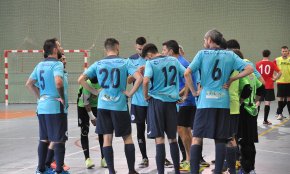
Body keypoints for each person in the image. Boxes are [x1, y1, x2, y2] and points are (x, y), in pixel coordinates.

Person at [184, 29, 254, 174]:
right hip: (222, 102)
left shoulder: (202, 54)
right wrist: (233, 78)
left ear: (209, 40)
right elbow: (249, 68)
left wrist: (194, 92)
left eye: (204, 40)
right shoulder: (230, 55)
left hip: (205, 102)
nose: (204, 43)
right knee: (221, 138)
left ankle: (194, 171)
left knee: (197, 137)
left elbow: (187, 73)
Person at [78, 38, 142, 174]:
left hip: (103, 106)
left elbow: (81, 79)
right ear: (117, 47)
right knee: (127, 137)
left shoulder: (98, 63)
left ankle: (111, 171)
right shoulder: (125, 62)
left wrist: (95, 91)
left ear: (105, 49)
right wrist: (130, 93)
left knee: (107, 137)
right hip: (119, 106)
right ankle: (131, 170)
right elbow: (139, 78)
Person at [26, 38, 69, 174]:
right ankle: (59, 170)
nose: (61, 48)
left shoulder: (39, 65)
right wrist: (62, 98)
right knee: (59, 140)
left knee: (44, 139)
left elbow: (29, 83)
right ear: (55, 50)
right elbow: (58, 83)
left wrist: (41, 97)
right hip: (55, 107)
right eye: (60, 46)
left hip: (42, 107)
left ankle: (41, 169)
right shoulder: (56, 64)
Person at [143, 43, 187, 174]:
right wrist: (184, 94)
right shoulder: (173, 60)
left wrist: (145, 96)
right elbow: (187, 74)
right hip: (171, 104)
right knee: (172, 138)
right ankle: (177, 171)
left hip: (157, 103)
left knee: (159, 139)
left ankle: (161, 172)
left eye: (146, 58)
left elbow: (145, 81)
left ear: (149, 55)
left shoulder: (151, 63)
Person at [161, 40, 198, 172]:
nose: (162, 53)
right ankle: (190, 159)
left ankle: (190, 160)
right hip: (182, 103)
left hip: (186, 103)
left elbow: (189, 81)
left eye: (164, 50)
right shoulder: (176, 62)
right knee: (183, 131)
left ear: (170, 51)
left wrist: (182, 95)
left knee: (184, 130)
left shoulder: (182, 63)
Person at [236, 49, 264, 174]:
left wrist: (240, 102)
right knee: (250, 142)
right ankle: (250, 168)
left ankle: (245, 168)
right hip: (252, 109)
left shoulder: (241, 70)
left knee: (244, 141)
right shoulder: (251, 71)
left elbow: (246, 89)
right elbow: (262, 88)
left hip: (244, 110)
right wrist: (256, 102)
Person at [127, 37, 149, 168]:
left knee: (156, 131)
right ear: (136, 47)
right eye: (139, 49)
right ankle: (144, 157)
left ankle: (162, 157)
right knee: (140, 131)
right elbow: (129, 81)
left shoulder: (151, 58)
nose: (141, 51)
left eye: (143, 48)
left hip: (151, 101)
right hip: (137, 102)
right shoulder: (131, 60)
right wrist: (136, 73)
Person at [46, 53, 70, 172]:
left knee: (56, 139)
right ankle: (52, 165)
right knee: (58, 138)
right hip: (55, 109)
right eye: (63, 59)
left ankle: (49, 163)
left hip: (60, 109)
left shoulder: (63, 73)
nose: (65, 61)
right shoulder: (56, 73)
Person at [77, 76, 107, 168]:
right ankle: (87, 159)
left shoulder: (103, 82)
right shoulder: (87, 83)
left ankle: (104, 158)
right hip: (83, 106)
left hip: (96, 106)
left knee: (101, 131)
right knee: (84, 131)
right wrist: (92, 118)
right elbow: (86, 102)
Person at [256, 50, 281, 124]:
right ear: (269, 55)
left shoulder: (258, 64)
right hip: (269, 85)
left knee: (258, 102)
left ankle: (254, 120)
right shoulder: (272, 64)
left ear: (262, 54)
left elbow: (255, 74)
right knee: (267, 103)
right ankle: (265, 120)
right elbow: (280, 72)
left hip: (260, 85)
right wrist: (275, 79)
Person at [274, 46, 290, 120]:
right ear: (281, 52)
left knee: (288, 99)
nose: (284, 52)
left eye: (286, 51)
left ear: (288, 52)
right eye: (283, 51)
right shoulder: (277, 60)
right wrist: (274, 77)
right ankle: (280, 114)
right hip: (280, 82)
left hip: (289, 82)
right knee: (280, 98)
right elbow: (271, 68)